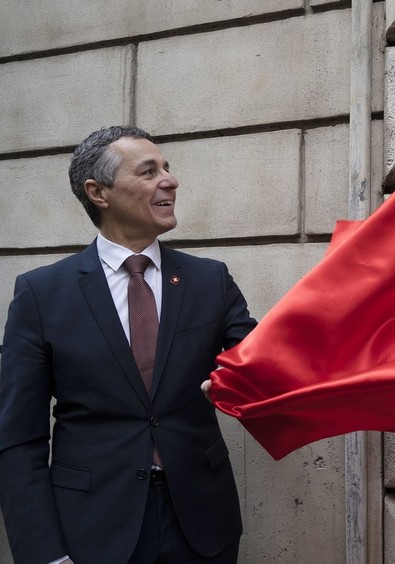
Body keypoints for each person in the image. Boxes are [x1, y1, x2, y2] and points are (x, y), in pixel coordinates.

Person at [0, 126, 257, 563]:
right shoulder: (42, 294)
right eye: (148, 171)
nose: (170, 181)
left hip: (202, 525)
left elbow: (265, 361)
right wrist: (44, 554)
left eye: (168, 169)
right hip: (93, 529)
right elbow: (18, 437)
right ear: (99, 192)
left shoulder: (208, 280)